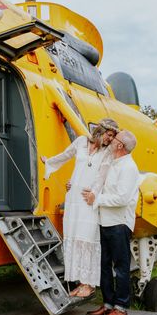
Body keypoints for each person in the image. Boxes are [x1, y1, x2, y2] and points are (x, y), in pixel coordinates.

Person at [41, 119, 118, 298]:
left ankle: (89, 284)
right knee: (74, 238)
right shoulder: (81, 142)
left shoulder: (107, 152)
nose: (110, 139)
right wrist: (49, 162)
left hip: (88, 199)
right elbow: (65, 156)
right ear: (101, 130)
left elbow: (102, 176)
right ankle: (80, 282)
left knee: (88, 239)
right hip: (73, 198)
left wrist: (95, 195)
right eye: (109, 134)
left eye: (113, 136)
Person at [82, 130, 141, 315]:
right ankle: (108, 304)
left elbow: (122, 198)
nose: (110, 139)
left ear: (120, 145)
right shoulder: (112, 163)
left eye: (114, 138)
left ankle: (121, 307)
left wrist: (96, 199)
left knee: (121, 267)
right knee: (104, 266)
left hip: (119, 223)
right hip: (104, 221)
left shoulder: (129, 168)